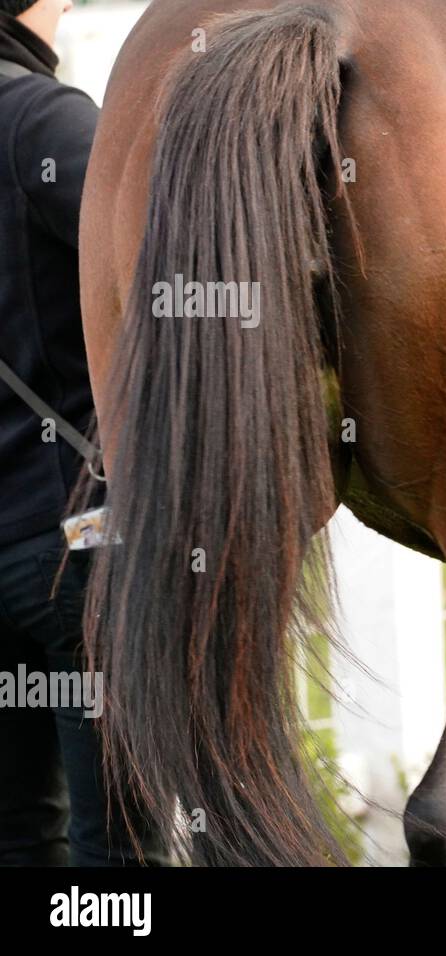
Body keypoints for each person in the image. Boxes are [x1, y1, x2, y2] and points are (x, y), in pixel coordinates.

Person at [0, 0, 166, 866]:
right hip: (78, 549)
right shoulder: (42, 119)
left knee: (20, 839)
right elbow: (170, 262)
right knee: (120, 851)